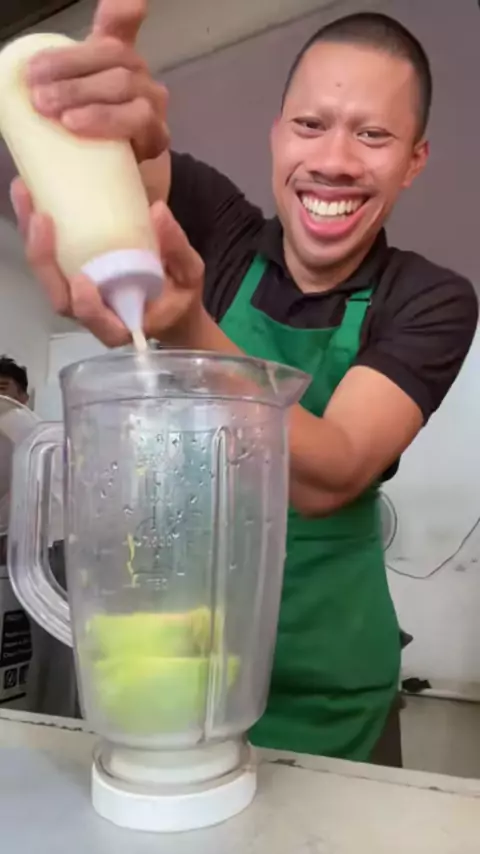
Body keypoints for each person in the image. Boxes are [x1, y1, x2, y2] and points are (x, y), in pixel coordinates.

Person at [10, 1, 478, 765]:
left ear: (414, 159)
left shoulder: (431, 299)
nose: (334, 160)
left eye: (373, 135)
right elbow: (129, 170)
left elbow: (333, 472)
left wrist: (187, 329)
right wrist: (104, 124)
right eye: (310, 125)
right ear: (276, 133)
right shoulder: (215, 227)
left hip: (333, 690)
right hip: (183, 667)